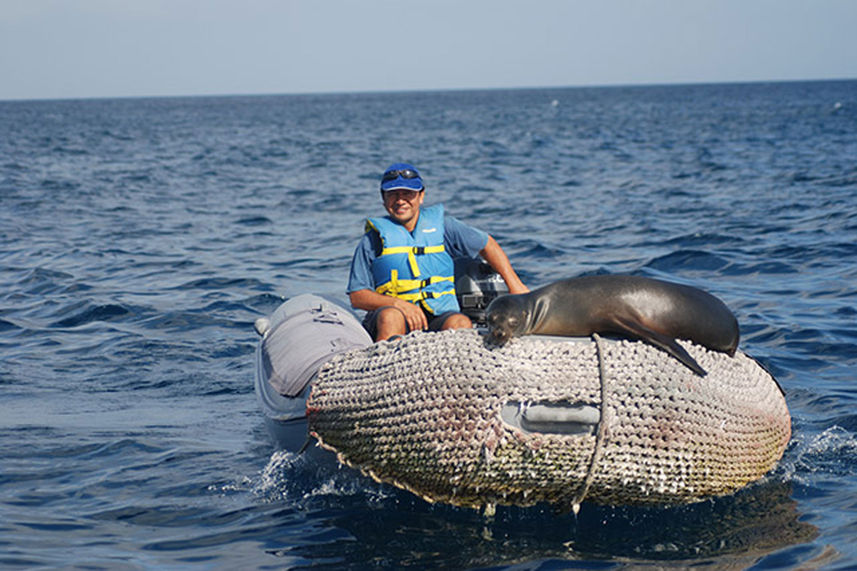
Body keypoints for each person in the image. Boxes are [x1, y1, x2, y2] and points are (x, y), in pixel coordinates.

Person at [347, 162, 529, 341]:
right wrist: (398, 304)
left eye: (408, 194)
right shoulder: (372, 240)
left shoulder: (446, 228)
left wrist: (515, 285)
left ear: (421, 196)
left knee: (460, 322)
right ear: (384, 198)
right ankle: (388, 366)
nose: (400, 200)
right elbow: (357, 296)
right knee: (391, 317)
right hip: (391, 315)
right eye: (393, 194)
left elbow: (487, 244)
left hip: (438, 315)